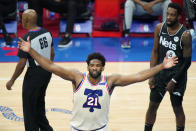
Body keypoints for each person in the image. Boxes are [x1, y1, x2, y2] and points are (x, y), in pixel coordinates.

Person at [18, 36, 177, 130]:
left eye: (98, 65)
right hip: (77, 128)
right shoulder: (77, 77)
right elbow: (51, 66)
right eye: (92, 65)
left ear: (102, 67)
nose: (95, 68)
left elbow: (138, 76)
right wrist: (31, 51)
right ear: (87, 66)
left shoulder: (110, 81)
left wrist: (161, 66)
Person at [144, 2, 192, 131]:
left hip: (177, 76)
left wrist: (174, 80)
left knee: (177, 107)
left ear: (179, 17)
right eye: (167, 14)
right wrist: (152, 75)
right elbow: (154, 52)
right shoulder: (159, 28)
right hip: (160, 73)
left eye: (172, 15)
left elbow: (187, 62)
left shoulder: (185, 35)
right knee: (152, 106)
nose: (169, 17)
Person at [6, 9, 55, 131]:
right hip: (47, 71)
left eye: (22, 18)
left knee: (29, 109)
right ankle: (46, 129)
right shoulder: (47, 32)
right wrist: (48, 67)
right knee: (39, 104)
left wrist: (12, 80)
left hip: (34, 75)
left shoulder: (26, 38)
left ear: (26, 21)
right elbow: (52, 53)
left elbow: (22, 64)